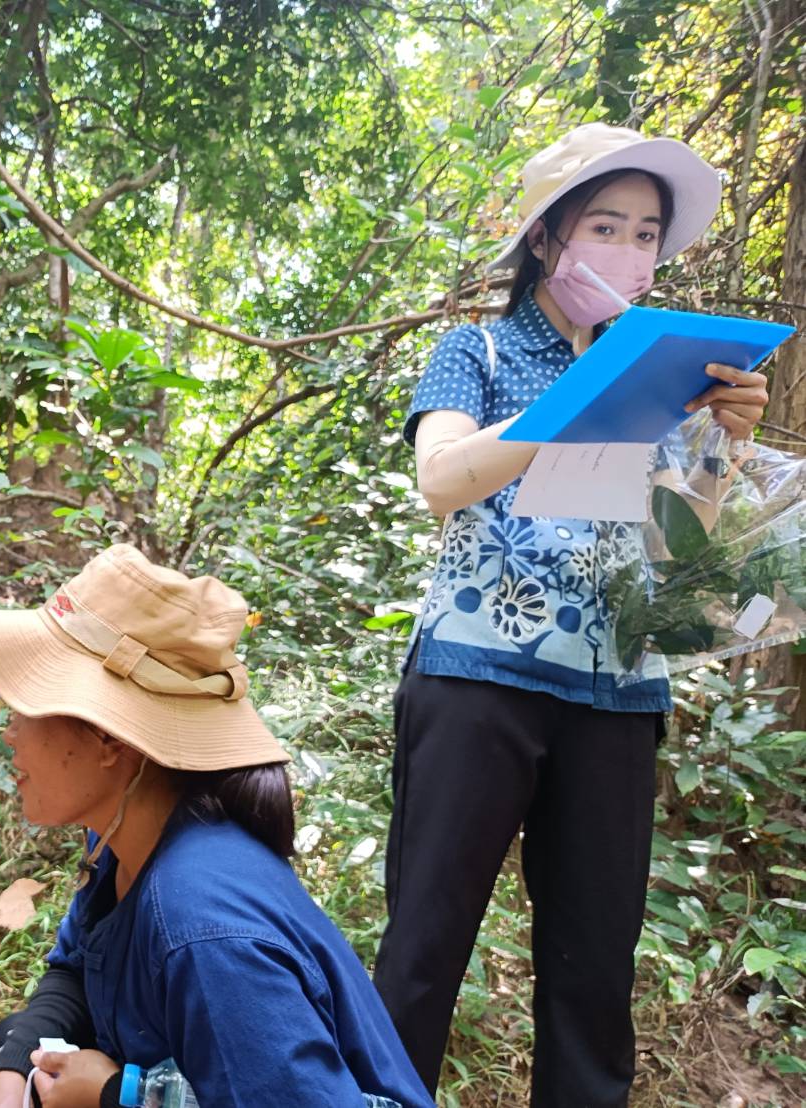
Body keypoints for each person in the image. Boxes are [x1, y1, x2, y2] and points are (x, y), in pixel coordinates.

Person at [372, 123, 771, 1106]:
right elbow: (439, 477)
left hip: (616, 693)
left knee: (593, 968)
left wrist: (719, 440)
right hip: (476, 678)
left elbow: (684, 550)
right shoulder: (479, 348)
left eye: (646, 234)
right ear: (548, 238)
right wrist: (577, 399)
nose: (629, 251)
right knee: (424, 944)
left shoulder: (673, 375)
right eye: (606, 225)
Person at [0, 544, 433, 1108]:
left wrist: (121, 1096)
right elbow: (76, 972)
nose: (10, 734)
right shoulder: (126, 835)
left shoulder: (203, 926)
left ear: (109, 738)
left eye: (26, 707)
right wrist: (14, 1059)